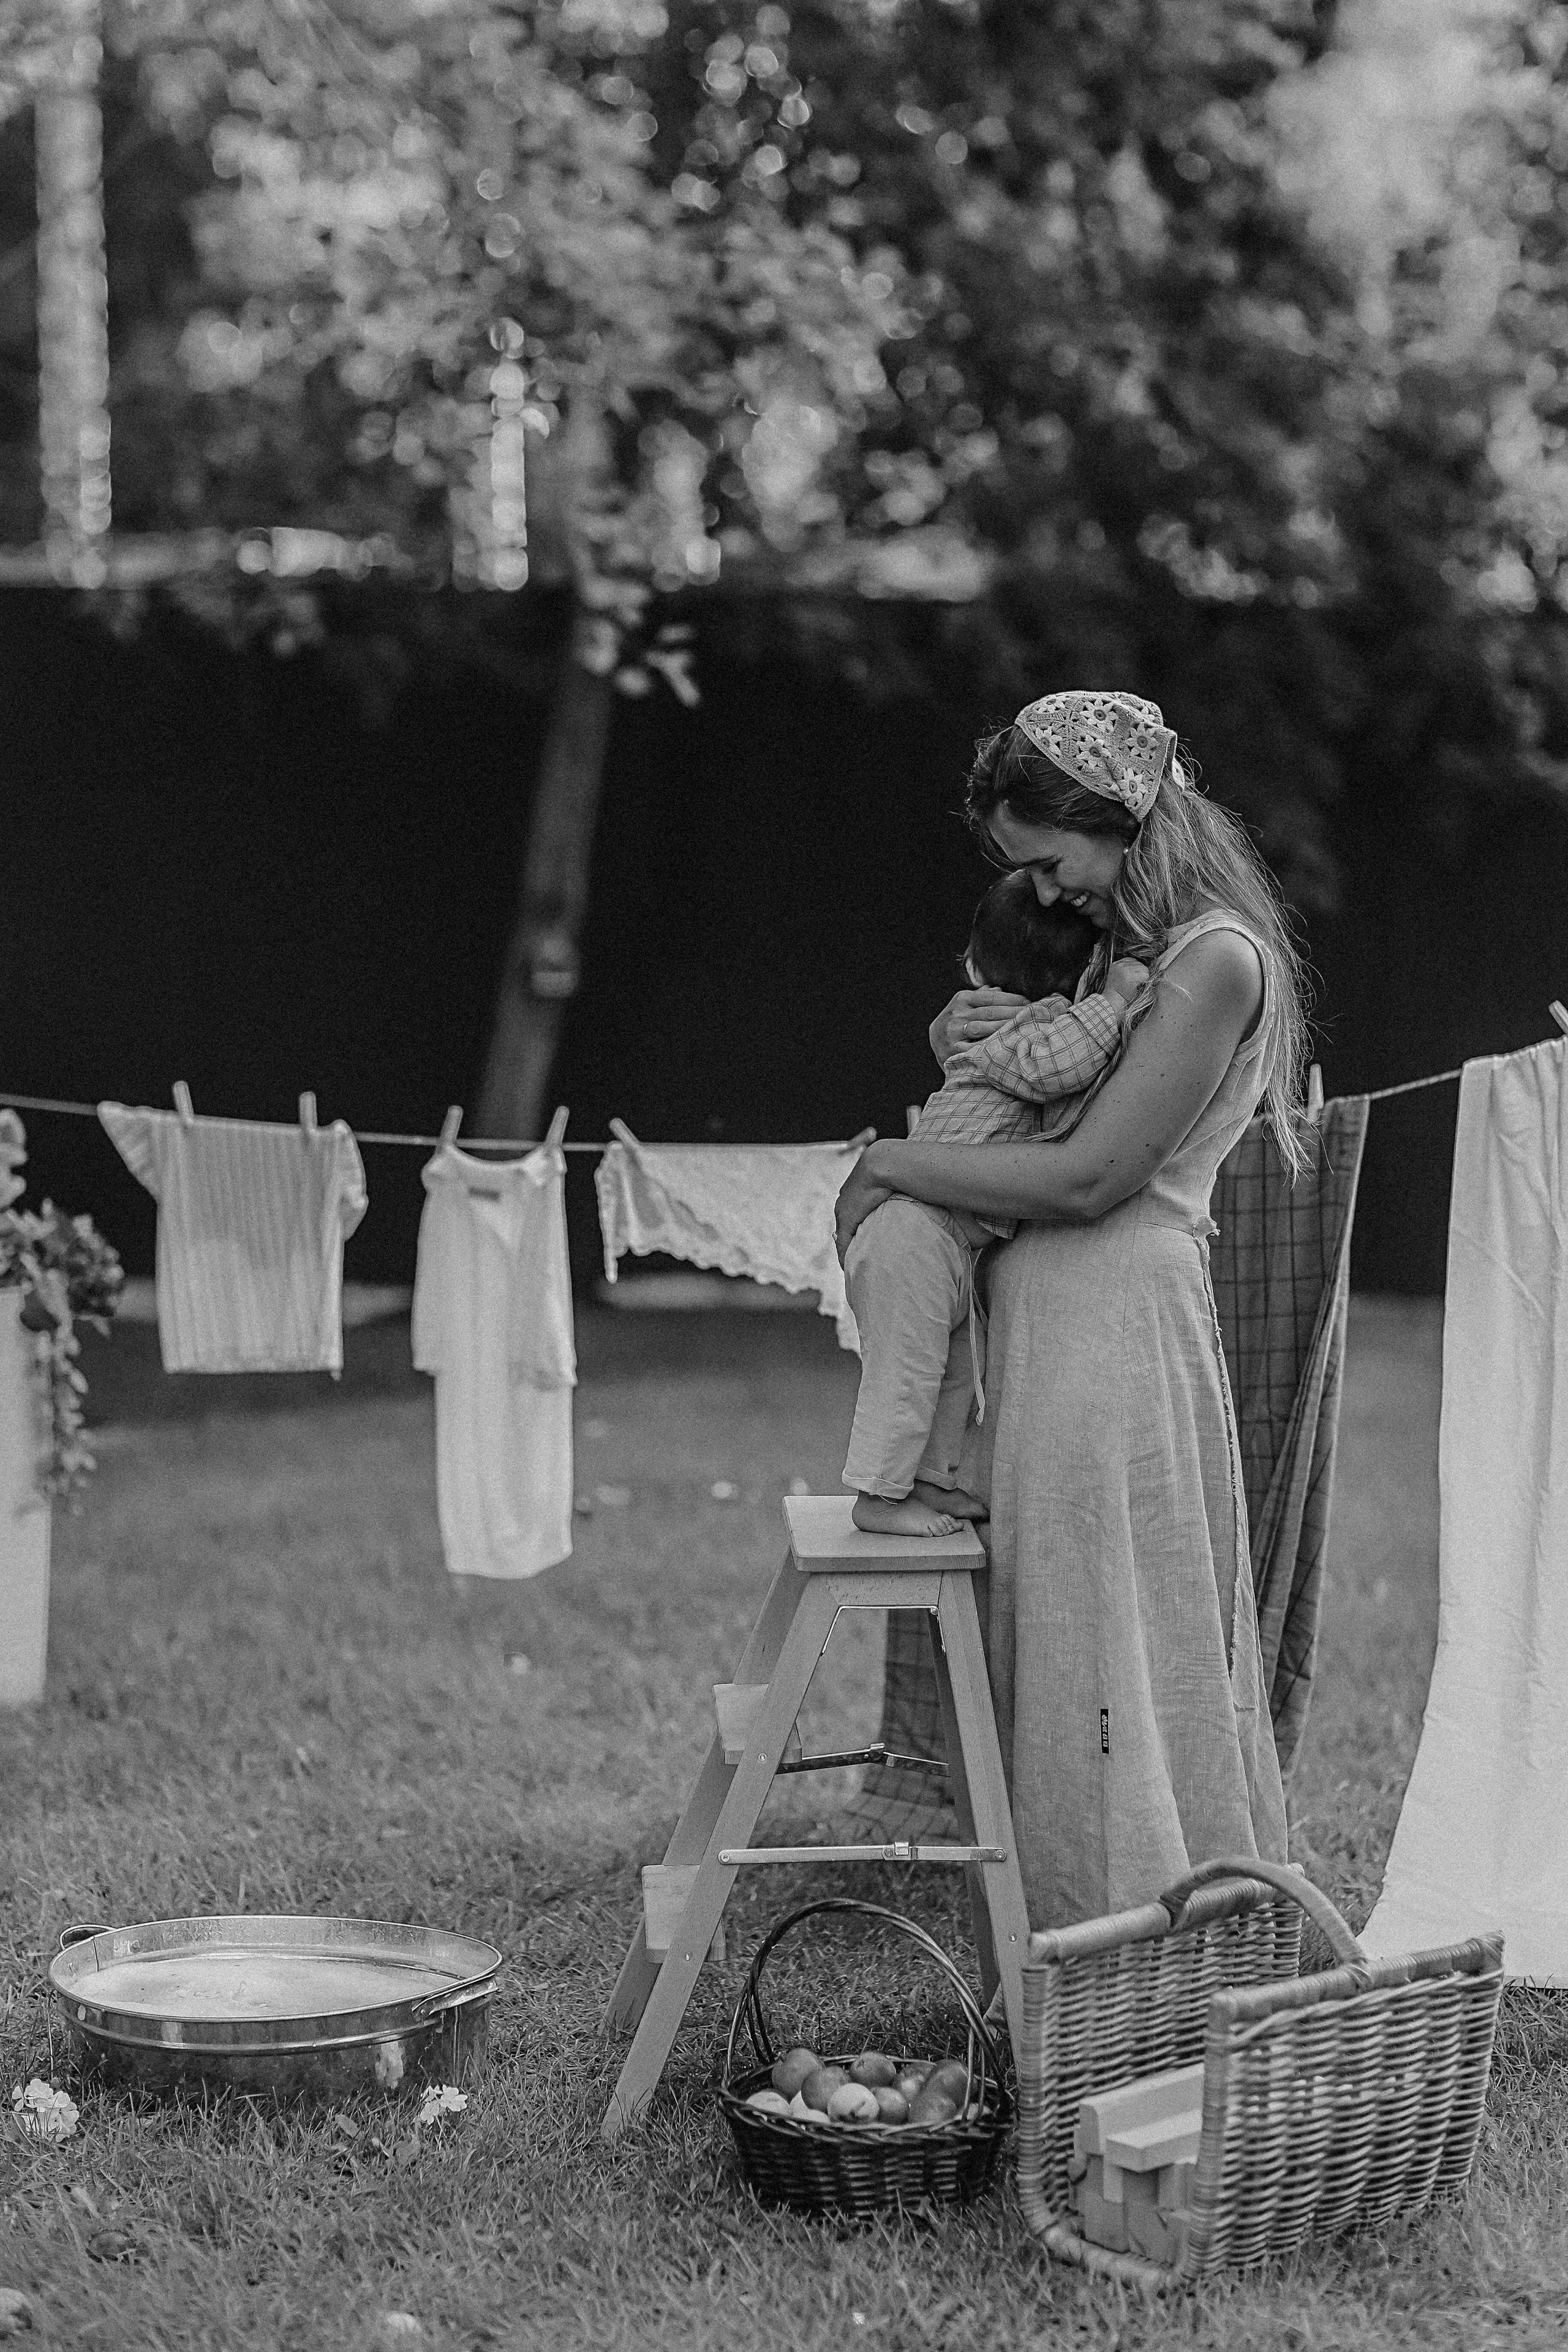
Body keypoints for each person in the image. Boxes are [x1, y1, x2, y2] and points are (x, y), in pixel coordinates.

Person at [833, 690, 1307, 1929]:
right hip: (1044, 1337)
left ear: (1118, 821)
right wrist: (974, 1043)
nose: (1039, 895)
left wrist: (890, 1163)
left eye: (1047, 862)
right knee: (1052, 1648)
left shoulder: (1211, 961)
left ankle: (1152, 1925)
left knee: (1111, 1635)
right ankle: (1065, 1941)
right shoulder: (1118, 963)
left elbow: (1089, 1178)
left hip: (1114, 1329)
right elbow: (1029, 1117)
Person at [843, 872, 1149, 1537]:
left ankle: (929, 1482)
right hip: (913, 1232)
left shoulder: (1008, 1029)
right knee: (907, 1372)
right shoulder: (1021, 1032)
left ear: (978, 965)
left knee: (953, 1373)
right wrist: (1117, 998)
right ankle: (875, 1494)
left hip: (939, 1236)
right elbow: (1059, 1064)